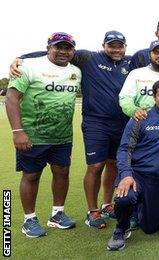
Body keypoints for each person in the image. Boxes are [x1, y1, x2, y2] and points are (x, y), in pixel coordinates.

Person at [9, 30, 132, 229]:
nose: (116, 49)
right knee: (95, 166)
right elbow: (50, 54)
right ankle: (91, 212)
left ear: (125, 47)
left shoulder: (130, 61)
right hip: (94, 123)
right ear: (103, 45)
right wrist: (19, 58)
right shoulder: (89, 58)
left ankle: (106, 205)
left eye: (120, 45)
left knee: (111, 165)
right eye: (112, 45)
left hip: (114, 124)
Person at [6, 32, 81, 238]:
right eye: (59, 47)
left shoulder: (76, 71)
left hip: (62, 136)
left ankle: (57, 215)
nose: (64, 51)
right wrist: (18, 131)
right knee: (31, 175)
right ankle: (29, 219)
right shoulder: (29, 66)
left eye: (68, 48)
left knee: (62, 172)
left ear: (73, 51)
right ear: (49, 47)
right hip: (32, 135)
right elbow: (12, 99)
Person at [106, 79, 159, 251]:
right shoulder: (140, 118)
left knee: (150, 228)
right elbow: (124, 149)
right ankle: (121, 228)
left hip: (157, 179)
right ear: (154, 96)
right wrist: (126, 174)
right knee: (125, 197)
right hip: (136, 174)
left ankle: (141, 208)